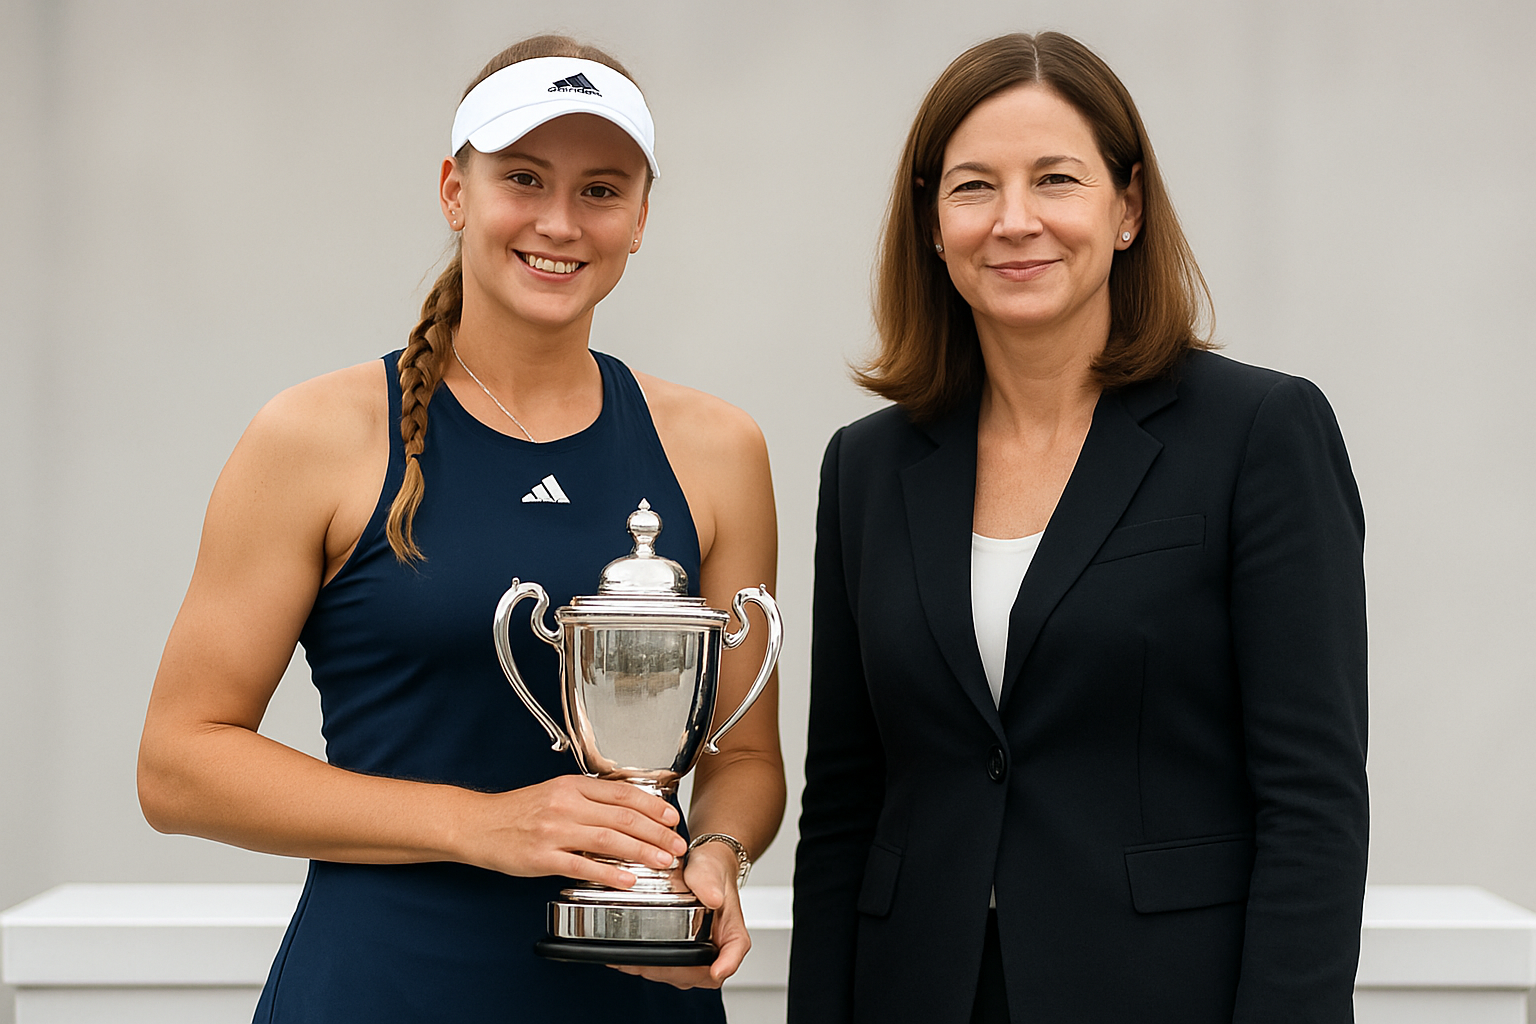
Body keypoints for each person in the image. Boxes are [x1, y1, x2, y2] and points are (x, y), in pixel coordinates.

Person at [136, 35, 783, 1023]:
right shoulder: (312, 435)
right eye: (523, 178)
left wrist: (717, 855)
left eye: (601, 190)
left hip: (640, 997)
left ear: (641, 217)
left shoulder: (718, 448)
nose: (560, 221)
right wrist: (480, 824)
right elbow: (178, 764)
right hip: (381, 990)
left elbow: (744, 756)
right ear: (454, 191)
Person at [789, 31, 1367, 1024]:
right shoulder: (867, 467)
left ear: (1127, 207)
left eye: (1055, 179)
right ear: (933, 224)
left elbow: (1313, 802)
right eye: (974, 187)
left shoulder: (1259, 434)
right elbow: (843, 802)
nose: (1014, 221)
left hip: (1164, 995)